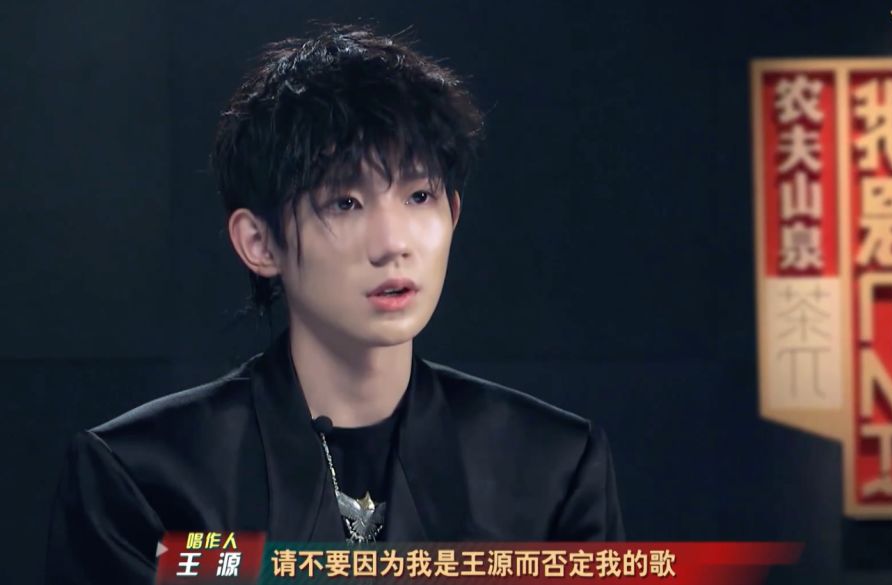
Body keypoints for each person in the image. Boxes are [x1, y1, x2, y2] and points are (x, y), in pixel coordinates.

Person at [45, 23, 624, 584]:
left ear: (452, 213)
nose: (393, 243)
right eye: (344, 203)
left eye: (419, 195)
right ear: (259, 242)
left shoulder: (553, 467)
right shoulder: (143, 478)